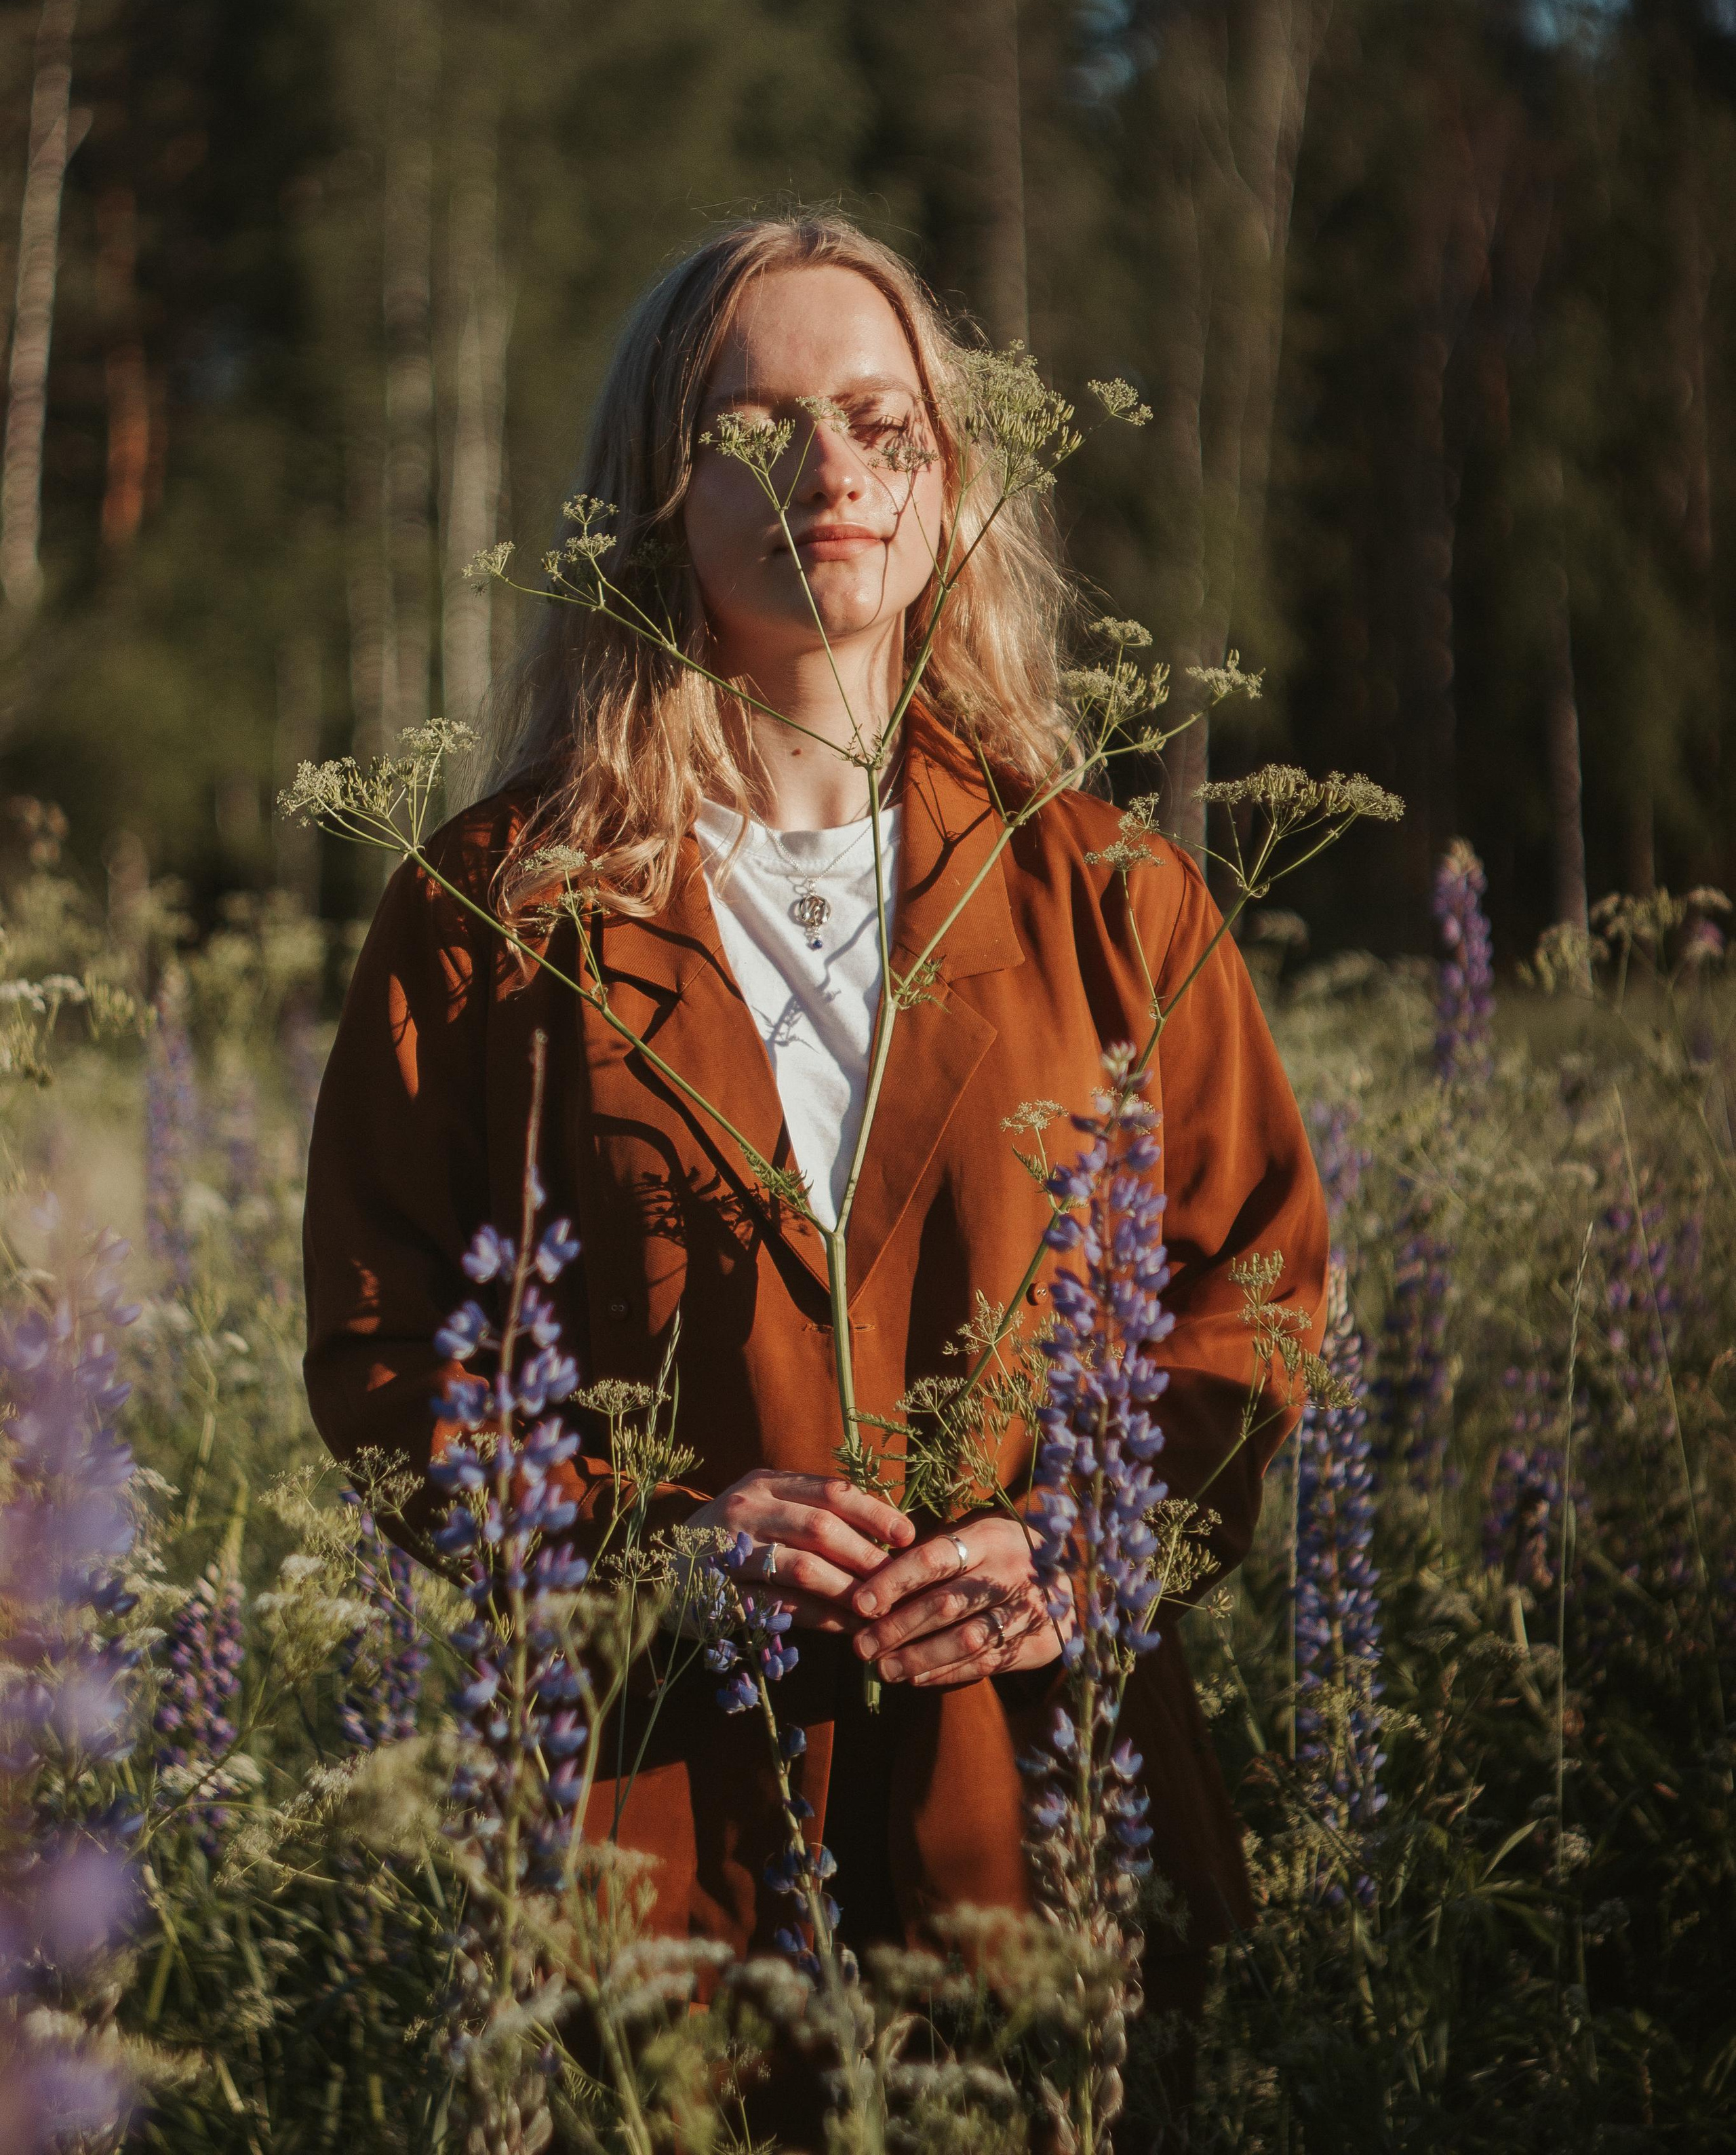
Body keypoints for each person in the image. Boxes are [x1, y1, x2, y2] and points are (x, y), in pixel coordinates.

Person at [302, 212, 1328, 2090]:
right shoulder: (490, 920)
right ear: (651, 490)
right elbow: (382, 1362)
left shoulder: (1120, 896)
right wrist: (650, 1545)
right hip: (649, 1854)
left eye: (884, 425)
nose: (833, 472)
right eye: (756, 425)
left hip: (1036, 1826)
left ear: (951, 487)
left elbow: (1257, 1304)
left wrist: (1091, 1547)